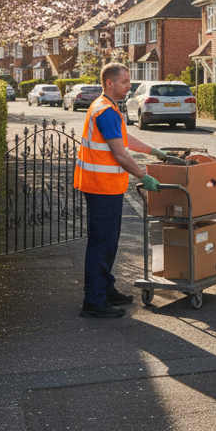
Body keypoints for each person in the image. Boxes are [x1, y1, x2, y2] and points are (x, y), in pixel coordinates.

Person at [72, 62, 176, 319]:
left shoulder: (107, 108)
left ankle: (105, 289)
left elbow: (124, 139)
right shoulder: (105, 110)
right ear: (110, 83)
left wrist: (154, 152)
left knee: (108, 241)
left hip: (103, 187)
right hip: (101, 187)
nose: (129, 87)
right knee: (102, 242)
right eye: (125, 82)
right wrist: (145, 176)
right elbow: (120, 153)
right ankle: (94, 301)